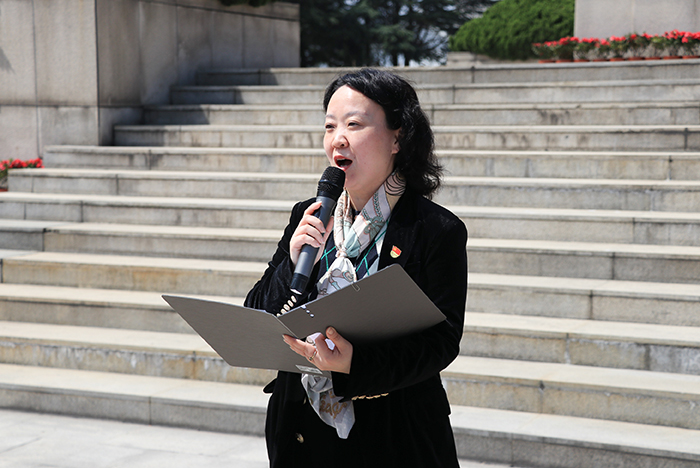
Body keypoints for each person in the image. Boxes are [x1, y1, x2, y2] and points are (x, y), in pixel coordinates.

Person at [244, 68, 468, 468]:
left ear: (398, 137)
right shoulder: (309, 215)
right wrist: (293, 262)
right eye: (330, 126)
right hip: (300, 432)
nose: (337, 139)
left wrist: (353, 365)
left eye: (354, 124)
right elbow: (259, 311)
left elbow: (441, 342)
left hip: (394, 434)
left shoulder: (436, 229)